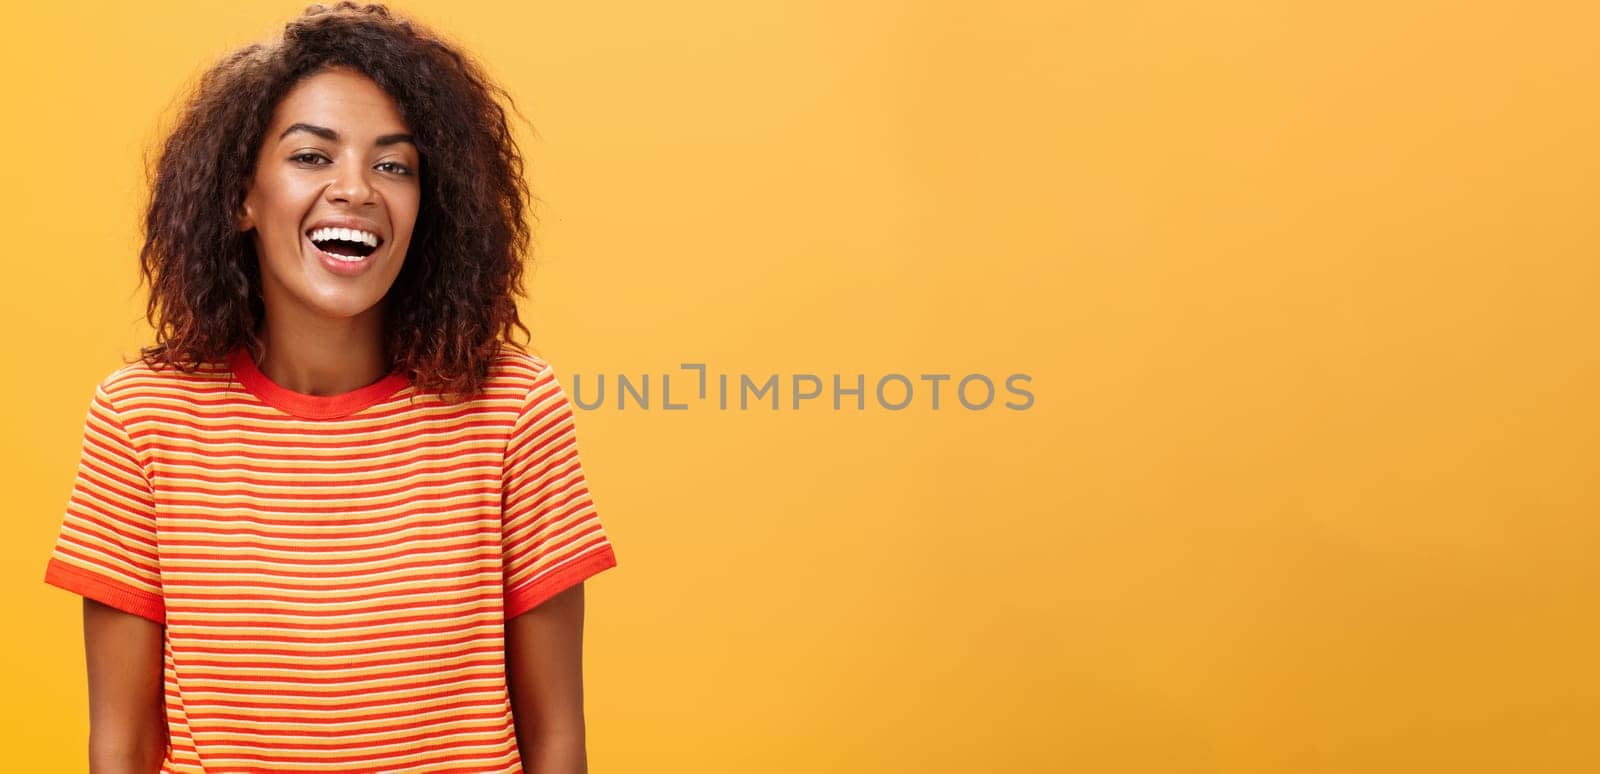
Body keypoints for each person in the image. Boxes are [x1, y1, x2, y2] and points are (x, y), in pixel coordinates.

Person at [41, 3, 618, 772]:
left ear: (428, 209)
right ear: (242, 198)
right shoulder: (142, 419)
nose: (357, 189)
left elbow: (557, 741)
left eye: (394, 165)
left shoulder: (512, 407)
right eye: (312, 157)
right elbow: (123, 745)